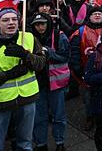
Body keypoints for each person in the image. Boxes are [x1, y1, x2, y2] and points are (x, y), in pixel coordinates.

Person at [0, 8, 47, 151]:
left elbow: (41, 64)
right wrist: (7, 75)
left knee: (25, 143)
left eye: (14, 19)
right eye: (6, 20)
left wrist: (26, 55)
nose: (11, 23)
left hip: (27, 99)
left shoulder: (29, 38)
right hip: (0, 104)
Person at [29, 12, 70, 151]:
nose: (40, 27)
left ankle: (60, 142)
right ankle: (41, 144)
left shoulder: (59, 36)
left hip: (56, 84)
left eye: (43, 24)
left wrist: (49, 53)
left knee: (58, 116)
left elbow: (65, 57)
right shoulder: (29, 39)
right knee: (39, 117)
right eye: (37, 24)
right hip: (37, 84)